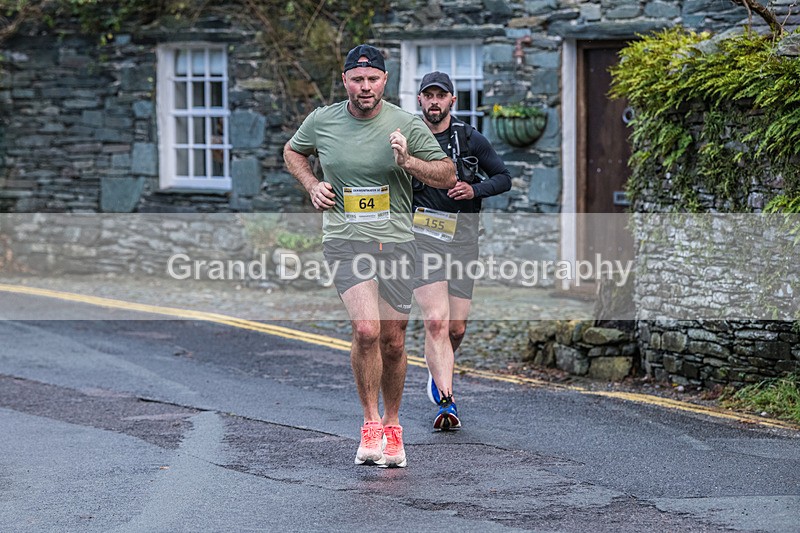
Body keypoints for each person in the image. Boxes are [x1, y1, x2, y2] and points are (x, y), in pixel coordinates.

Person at [283, 45, 456, 467]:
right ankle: (370, 422)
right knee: (365, 331)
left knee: (394, 340)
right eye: (357, 80)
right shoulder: (322, 120)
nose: (365, 87)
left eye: (373, 79)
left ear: (384, 81)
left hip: (396, 241)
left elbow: (448, 173)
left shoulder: (405, 123)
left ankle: (394, 426)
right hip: (345, 239)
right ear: (345, 81)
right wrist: (311, 184)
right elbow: (293, 152)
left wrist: (409, 161)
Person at [412, 71, 512, 431]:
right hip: (422, 239)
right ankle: (446, 399)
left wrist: (474, 191)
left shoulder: (470, 138)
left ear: (453, 100)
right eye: (429, 95)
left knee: (456, 327)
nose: (434, 101)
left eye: (441, 95)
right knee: (435, 321)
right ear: (420, 100)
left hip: (464, 239)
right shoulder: (408, 137)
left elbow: (503, 177)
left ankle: (439, 366)